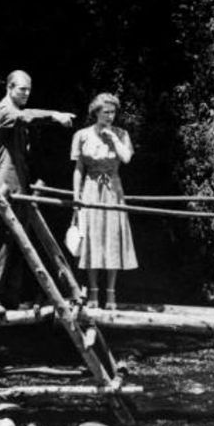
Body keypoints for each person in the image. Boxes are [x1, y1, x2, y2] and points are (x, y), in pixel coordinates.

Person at [0, 70, 75, 313]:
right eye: (22, 89)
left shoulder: (15, 113)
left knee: (18, 241)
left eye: (29, 89)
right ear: (9, 88)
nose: (26, 93)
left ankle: (9, 297)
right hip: (4, 187)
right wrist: (55, 116)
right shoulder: (3, 110)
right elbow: (27, 117)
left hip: (19, 185)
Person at [71, 92, 138, 309]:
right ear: (96, 113)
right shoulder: (82, 135)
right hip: (91, 188)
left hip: (113, 189)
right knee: (91, 238)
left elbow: (127, 159)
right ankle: (92, 293)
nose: (110, 116)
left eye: (113, 112)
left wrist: (114, 138)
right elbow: (79, 169)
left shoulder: (121, 133)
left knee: (112, 238)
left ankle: (110, 295)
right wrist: (76, 196)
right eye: (106, 112)